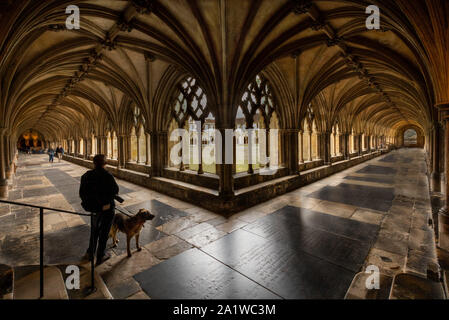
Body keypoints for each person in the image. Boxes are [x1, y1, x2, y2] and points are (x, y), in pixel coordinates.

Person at [79, 154, 119, 265]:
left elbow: (82, 193)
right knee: (104, 233)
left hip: (94, 209)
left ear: (94, 163)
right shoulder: (107, 175)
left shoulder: (86, 176)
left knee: (94, 231)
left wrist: (94, 204)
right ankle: (100, 255)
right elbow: (115, 190)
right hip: (107, 209)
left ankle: (90, 252)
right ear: (105, 163)